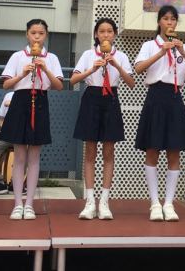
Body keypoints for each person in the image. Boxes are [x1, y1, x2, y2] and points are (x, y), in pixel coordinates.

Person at [134, 5, 185, 221]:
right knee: (152, 150)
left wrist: (182, 51)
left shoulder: (184, 46)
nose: (170, 23)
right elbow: (138, 68)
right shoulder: (148, 45)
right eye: (165, 19)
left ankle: (169, 203)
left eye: (173, 19)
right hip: (155, 97)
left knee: (174, 151)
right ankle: (154, 203)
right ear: (159, 22)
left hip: (175, 99)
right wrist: (161, 51)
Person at [71, 18, 136, 220]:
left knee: (109, 151)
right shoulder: (88, 55)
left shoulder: (122, 56)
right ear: (96, 35)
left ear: (114, 34)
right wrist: (92, 69)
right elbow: (73, 79)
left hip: (111, 98)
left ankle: (105, 202)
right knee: (90, 151)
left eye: (109, 31)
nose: (105, 35)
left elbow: (132, 83)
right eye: (101, 31)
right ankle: (89, 202)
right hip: (91, 97)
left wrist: (116, 64)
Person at [0, 19, 64, 220]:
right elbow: (6, 84)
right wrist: (22, 74)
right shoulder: (18, 56)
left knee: (35, 156)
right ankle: (17, 203)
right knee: (19, 155)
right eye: (33, 33)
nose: (37, 37)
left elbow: (59, 85)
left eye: (41, 33)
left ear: (46, 35)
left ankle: (30, 204)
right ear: (27, 34)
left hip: (41, 100)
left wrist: (45, 69)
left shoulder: (51, 58)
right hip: (20, 100)